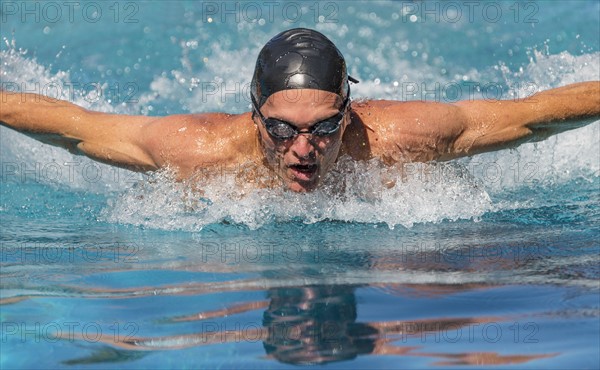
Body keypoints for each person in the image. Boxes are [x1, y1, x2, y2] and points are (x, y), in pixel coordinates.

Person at [1, 28, 598, 192]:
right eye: (282, 130)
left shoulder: (400, 137)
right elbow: (74, 130)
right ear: (255, 116)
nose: (304, 150)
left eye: (325, 128)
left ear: (349, 109)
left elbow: (535, 115)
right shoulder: (197, 151)